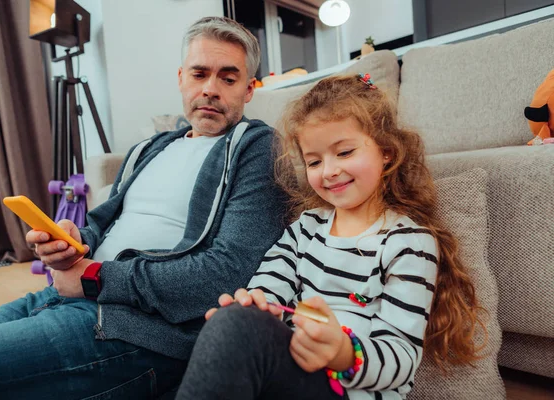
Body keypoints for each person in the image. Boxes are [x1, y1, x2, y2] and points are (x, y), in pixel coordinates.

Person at [0, 17, 288, 399]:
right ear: (181, 78)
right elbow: (101, 223)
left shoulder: (257, 147)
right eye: (199, 74)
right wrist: (72, 241)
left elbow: (227, 272)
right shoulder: (152, 147)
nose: (210, 89)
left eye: (228, 79)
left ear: (249, 89)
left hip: (132, 329)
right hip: (61, 298)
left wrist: (95, 276)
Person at [175, 74, 486, 400]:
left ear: (387, 152)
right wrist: (255, 308)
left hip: (351, 391)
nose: (329, 170)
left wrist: (342, 352)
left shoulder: (408, 243)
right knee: (233, 321)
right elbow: (269, 287)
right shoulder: (305, 230)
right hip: (291, 374)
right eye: (314, 161)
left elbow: (400, 357)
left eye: (345, 152)